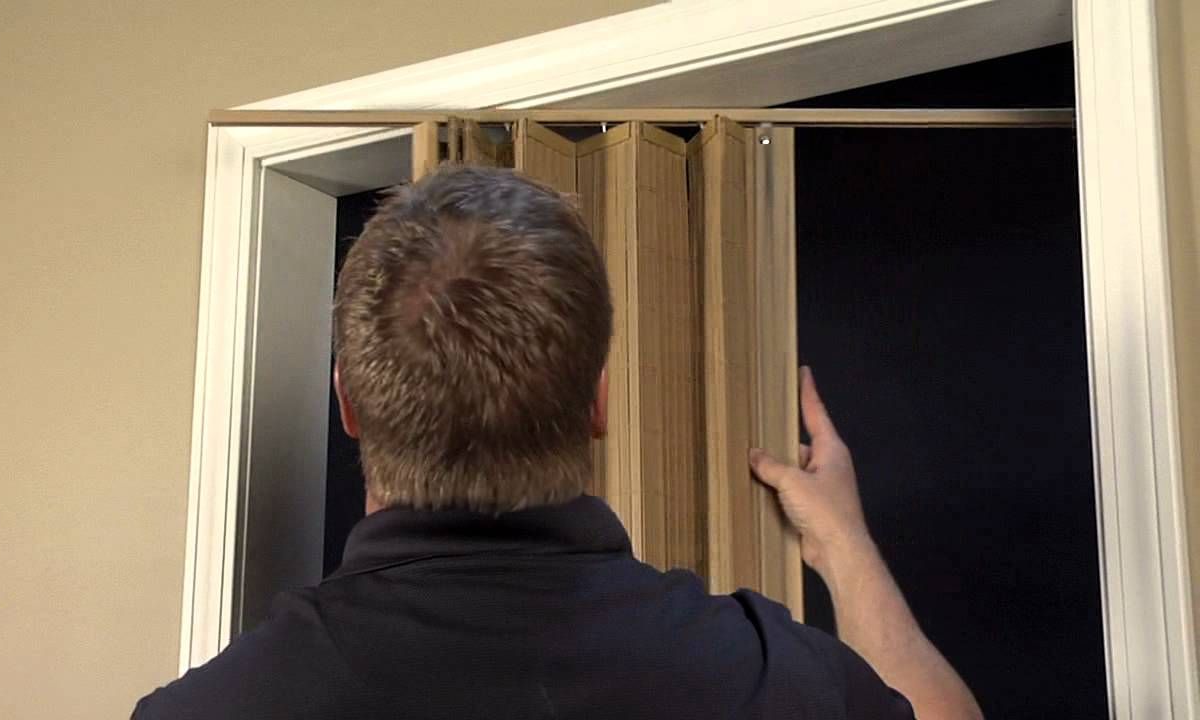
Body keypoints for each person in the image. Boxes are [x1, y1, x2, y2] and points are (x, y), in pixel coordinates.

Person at [134, 165, 982, 719]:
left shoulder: (205, 711)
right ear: (599, 403)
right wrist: (841, 543)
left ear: (348, 403)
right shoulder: (777, 682)